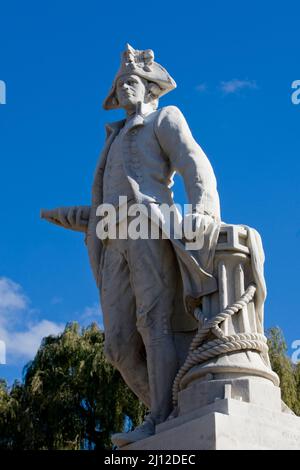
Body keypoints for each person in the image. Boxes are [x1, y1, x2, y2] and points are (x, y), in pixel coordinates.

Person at [41, 44, 221, 446]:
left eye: (132, 82)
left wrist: (204, 211)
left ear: (150, 87)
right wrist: (60, 214)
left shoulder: (165, 119)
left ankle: (161, 417)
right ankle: (175, 406)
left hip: (148, 227)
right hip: (111, 238)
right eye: (120, 84)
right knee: (118, 345)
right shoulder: (115, 136)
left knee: (153, 322)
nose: (124, 89)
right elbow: (103, 202)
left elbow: (194, 162)